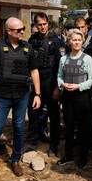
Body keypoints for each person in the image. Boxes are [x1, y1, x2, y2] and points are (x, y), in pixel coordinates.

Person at [0, 17, 41, 181]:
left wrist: (37, 94)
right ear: (8, 31)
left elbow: (34, 72)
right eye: (18, 29)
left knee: (19, 128)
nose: (22, 32)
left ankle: (15, 160)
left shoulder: (28, 47)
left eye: (23, 29)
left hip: (22, 96)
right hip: (1, 96)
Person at [26, 12, 65, 157]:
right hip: (35, 81)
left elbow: (61, 68)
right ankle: (32, 141)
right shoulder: (32, 41)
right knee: (33, 112)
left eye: (44, 24)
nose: (42, 27)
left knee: (53, 114)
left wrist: (57, 88)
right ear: (35, 25)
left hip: (51, 81)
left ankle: (54, 144)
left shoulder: (57, 42)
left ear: (48, 23)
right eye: (39, 24)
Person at [56, 29, 92, 169]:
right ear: (69, 42)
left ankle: (83, 156)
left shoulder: (87, 58)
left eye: (79, 40)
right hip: (67, 97)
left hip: (82, 96)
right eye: (74, 40)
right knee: (69, 126)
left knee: (83, 127)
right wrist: (62, 84)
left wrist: (79, 86)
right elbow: (59, 75)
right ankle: (68, 155)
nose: (77, 42)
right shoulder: (63, 59)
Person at [74, 16, 92, 150]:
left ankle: (91, 140)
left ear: (86, 28)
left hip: (89, 83)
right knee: (77, 113)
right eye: (77, 27)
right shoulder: (72, 42)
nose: (80, 30)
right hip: (76, 83)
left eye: (82, 27)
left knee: (90, 113)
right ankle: (79, 137)